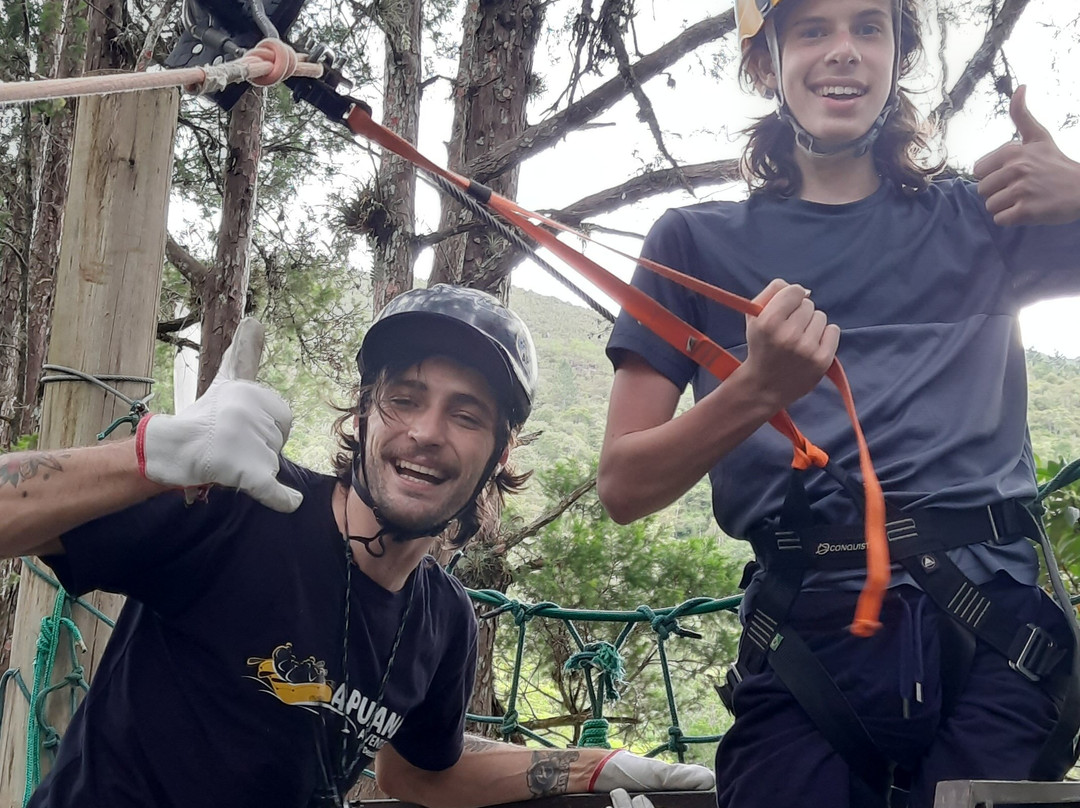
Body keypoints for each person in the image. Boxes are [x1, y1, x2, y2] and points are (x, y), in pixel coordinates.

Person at [598, 0, 1080, 806]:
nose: (844, 50)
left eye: (868, 26)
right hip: (806, 639)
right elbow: (624, 485)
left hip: (994, 635)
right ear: (767, 62)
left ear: (898, 55)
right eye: (813, 29)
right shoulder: (692, 243)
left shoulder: (985, 217)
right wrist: (757, 390)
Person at [0, 284, 714, 808]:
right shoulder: (237, 504)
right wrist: (150, 460)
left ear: (501, 452)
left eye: (466, 415)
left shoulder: (444, 623)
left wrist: (592, 767)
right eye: (404, 399)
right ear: (365, 412)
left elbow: (418, 772)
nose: (427, 432)